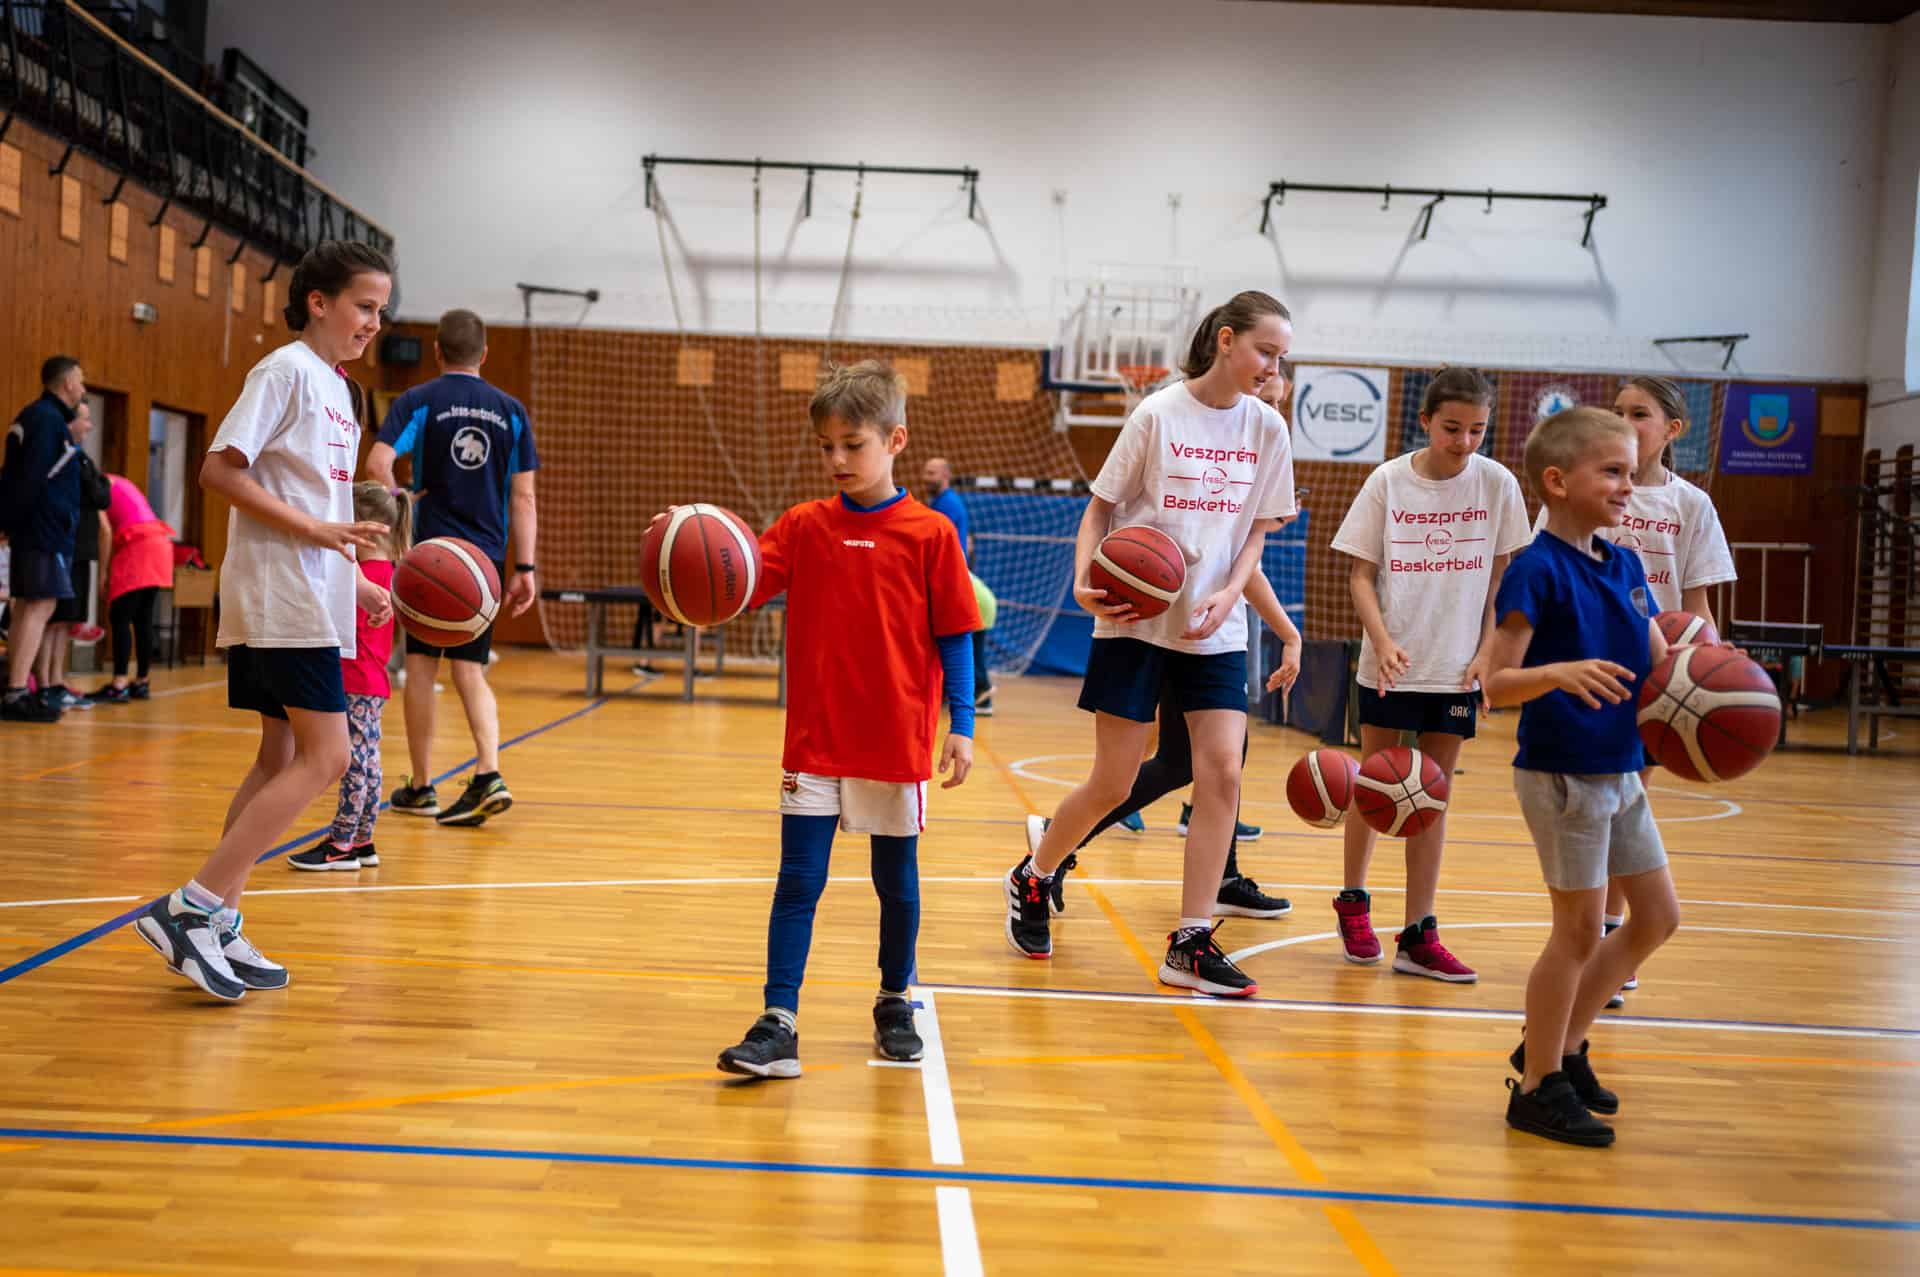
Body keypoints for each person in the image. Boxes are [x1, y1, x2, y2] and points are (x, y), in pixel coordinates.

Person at [1003, 291, 1296, 997]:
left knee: (1221, 769)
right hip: (1137, 619)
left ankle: (1191, 942)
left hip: (1215, 629)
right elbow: (1100, 507)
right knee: (1114, 781)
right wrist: (1082, 576)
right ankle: (1034, 873)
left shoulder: (1267, 429)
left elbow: (1256, 528)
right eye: (1265, 350)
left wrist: (1234, 593)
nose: (1273, 367)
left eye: (1283, 356)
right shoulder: (1158, 414)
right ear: (1226, 341)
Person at [133, 241, 395, 1001]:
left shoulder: (341, 391)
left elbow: (325, 508)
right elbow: (220, 468)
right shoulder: (284, 371)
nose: (374, 322)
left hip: (311, 590)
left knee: (279, 755)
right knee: (330, 756)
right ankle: (193, 905)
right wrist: (317, 540)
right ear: (318, 300)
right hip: (281, 593)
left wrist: (353, 580)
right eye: (364, 306)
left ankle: (218, 920)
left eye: (381, 310)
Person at [706, 361, 979, 1078]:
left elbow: (955, 633)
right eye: (826, 445)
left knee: (898, 884)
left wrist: (964, 723)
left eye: (851, 445)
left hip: (895, 741)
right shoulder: (803, 526)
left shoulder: (931, 533)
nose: (836, 460)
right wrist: (688, 547)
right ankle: (778, 1020)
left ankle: (894, 996)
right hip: (815, 740)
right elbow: (735, 579)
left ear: (895, 440)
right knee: (799, 880)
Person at [1485, 405, 1681, 1147]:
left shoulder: (1625, 563)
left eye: (1632, 471)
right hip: (1564, 772)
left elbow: (1662, 655)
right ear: (1558, 481)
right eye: (1613, 471)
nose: (1628, 486)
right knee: (1574, 933)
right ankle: (1535, 1088)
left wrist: (1716, 681)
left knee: (1657, 917)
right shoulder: (1536, 568)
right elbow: (1497, 684)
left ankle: (1561, 1042)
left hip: (1623, 766)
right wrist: (1557, 673)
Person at [1533, 376, 1733, 1004]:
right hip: (1584, 681)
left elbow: (1697, 608)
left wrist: (1710, 673)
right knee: (1599, 817)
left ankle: (1613, 937)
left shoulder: (1690, 505)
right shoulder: (1576, 500)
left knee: (1628, 807)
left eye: (1639, 413)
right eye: (1617, 411)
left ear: (1672, 430)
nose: (1625, 419)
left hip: (1658, 680)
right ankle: (1588, 940)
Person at [1327, 368, 1530, 982]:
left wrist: (1488, 654)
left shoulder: (1497, 484)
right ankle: (1354, 901)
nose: (1464, 441)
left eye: (1477, 429)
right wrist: (1382, 641)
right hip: (1391, 662)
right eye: (1451, 428)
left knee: (1433, 797)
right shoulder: (1388, 481)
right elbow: (1361, 574)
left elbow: (1501, 581)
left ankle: (1419, 932)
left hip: (1456, 668)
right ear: (1424, 420)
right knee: (1374, 784)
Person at [365, 309, 539, 827]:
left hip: (429, 557)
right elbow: (523, 497)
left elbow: (377, 464)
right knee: (470, 670)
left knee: (420, 667)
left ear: (437, 351)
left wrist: (401, 507)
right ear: (483, 354)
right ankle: (488, 770)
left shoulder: (420, 400)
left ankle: (422, 787)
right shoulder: (511, 412)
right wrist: (524, 567)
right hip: (482, 563)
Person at [290, 482, 410, 870]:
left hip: (356, 678)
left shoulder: (363, 576)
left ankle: (340, 844)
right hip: (372, 680)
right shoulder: (388, 571)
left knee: (355, 765)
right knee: (368, 761)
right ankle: (363, 840)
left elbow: (347, 628)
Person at [2, 355, 89, 723]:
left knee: (32, 605)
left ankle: (17, 688)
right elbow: (29, 478)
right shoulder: (47, 420)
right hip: (42, 530)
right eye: (80, 382)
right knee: (38, 605)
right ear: (68, 383)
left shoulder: (38, 417)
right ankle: (17, 691)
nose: (83, 389)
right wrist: (11, 520)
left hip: (38, 528)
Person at [37, 399, 112, 710]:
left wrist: (99, 483)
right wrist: (99, 484)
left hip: (80, 550)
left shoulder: (83, 459)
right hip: (62, 545)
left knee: (66, 622)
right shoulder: (67, 457)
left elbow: (103, 496)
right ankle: (44, 683)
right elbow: (97, 492)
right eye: (85, 419)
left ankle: (57, 681)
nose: (90, 425)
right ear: (70, 423)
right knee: (52, 620)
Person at [88, 473, 176, 702]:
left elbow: (105, 532)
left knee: (120, 617)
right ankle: (142, 682)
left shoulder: (94, 486)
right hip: (160, 544)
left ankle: (119, 684)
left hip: (137, 545)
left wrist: (103, 573)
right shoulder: (119, 481)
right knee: (143, 619)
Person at [924, 456, 993, 715]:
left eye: (932, 473)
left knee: (965, 643)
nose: (926, 477)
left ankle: (977, 695)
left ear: (945, 475)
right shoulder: (941, 503)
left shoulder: (948, 505)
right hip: (962, 582)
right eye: (925, 472)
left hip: (959, 584)